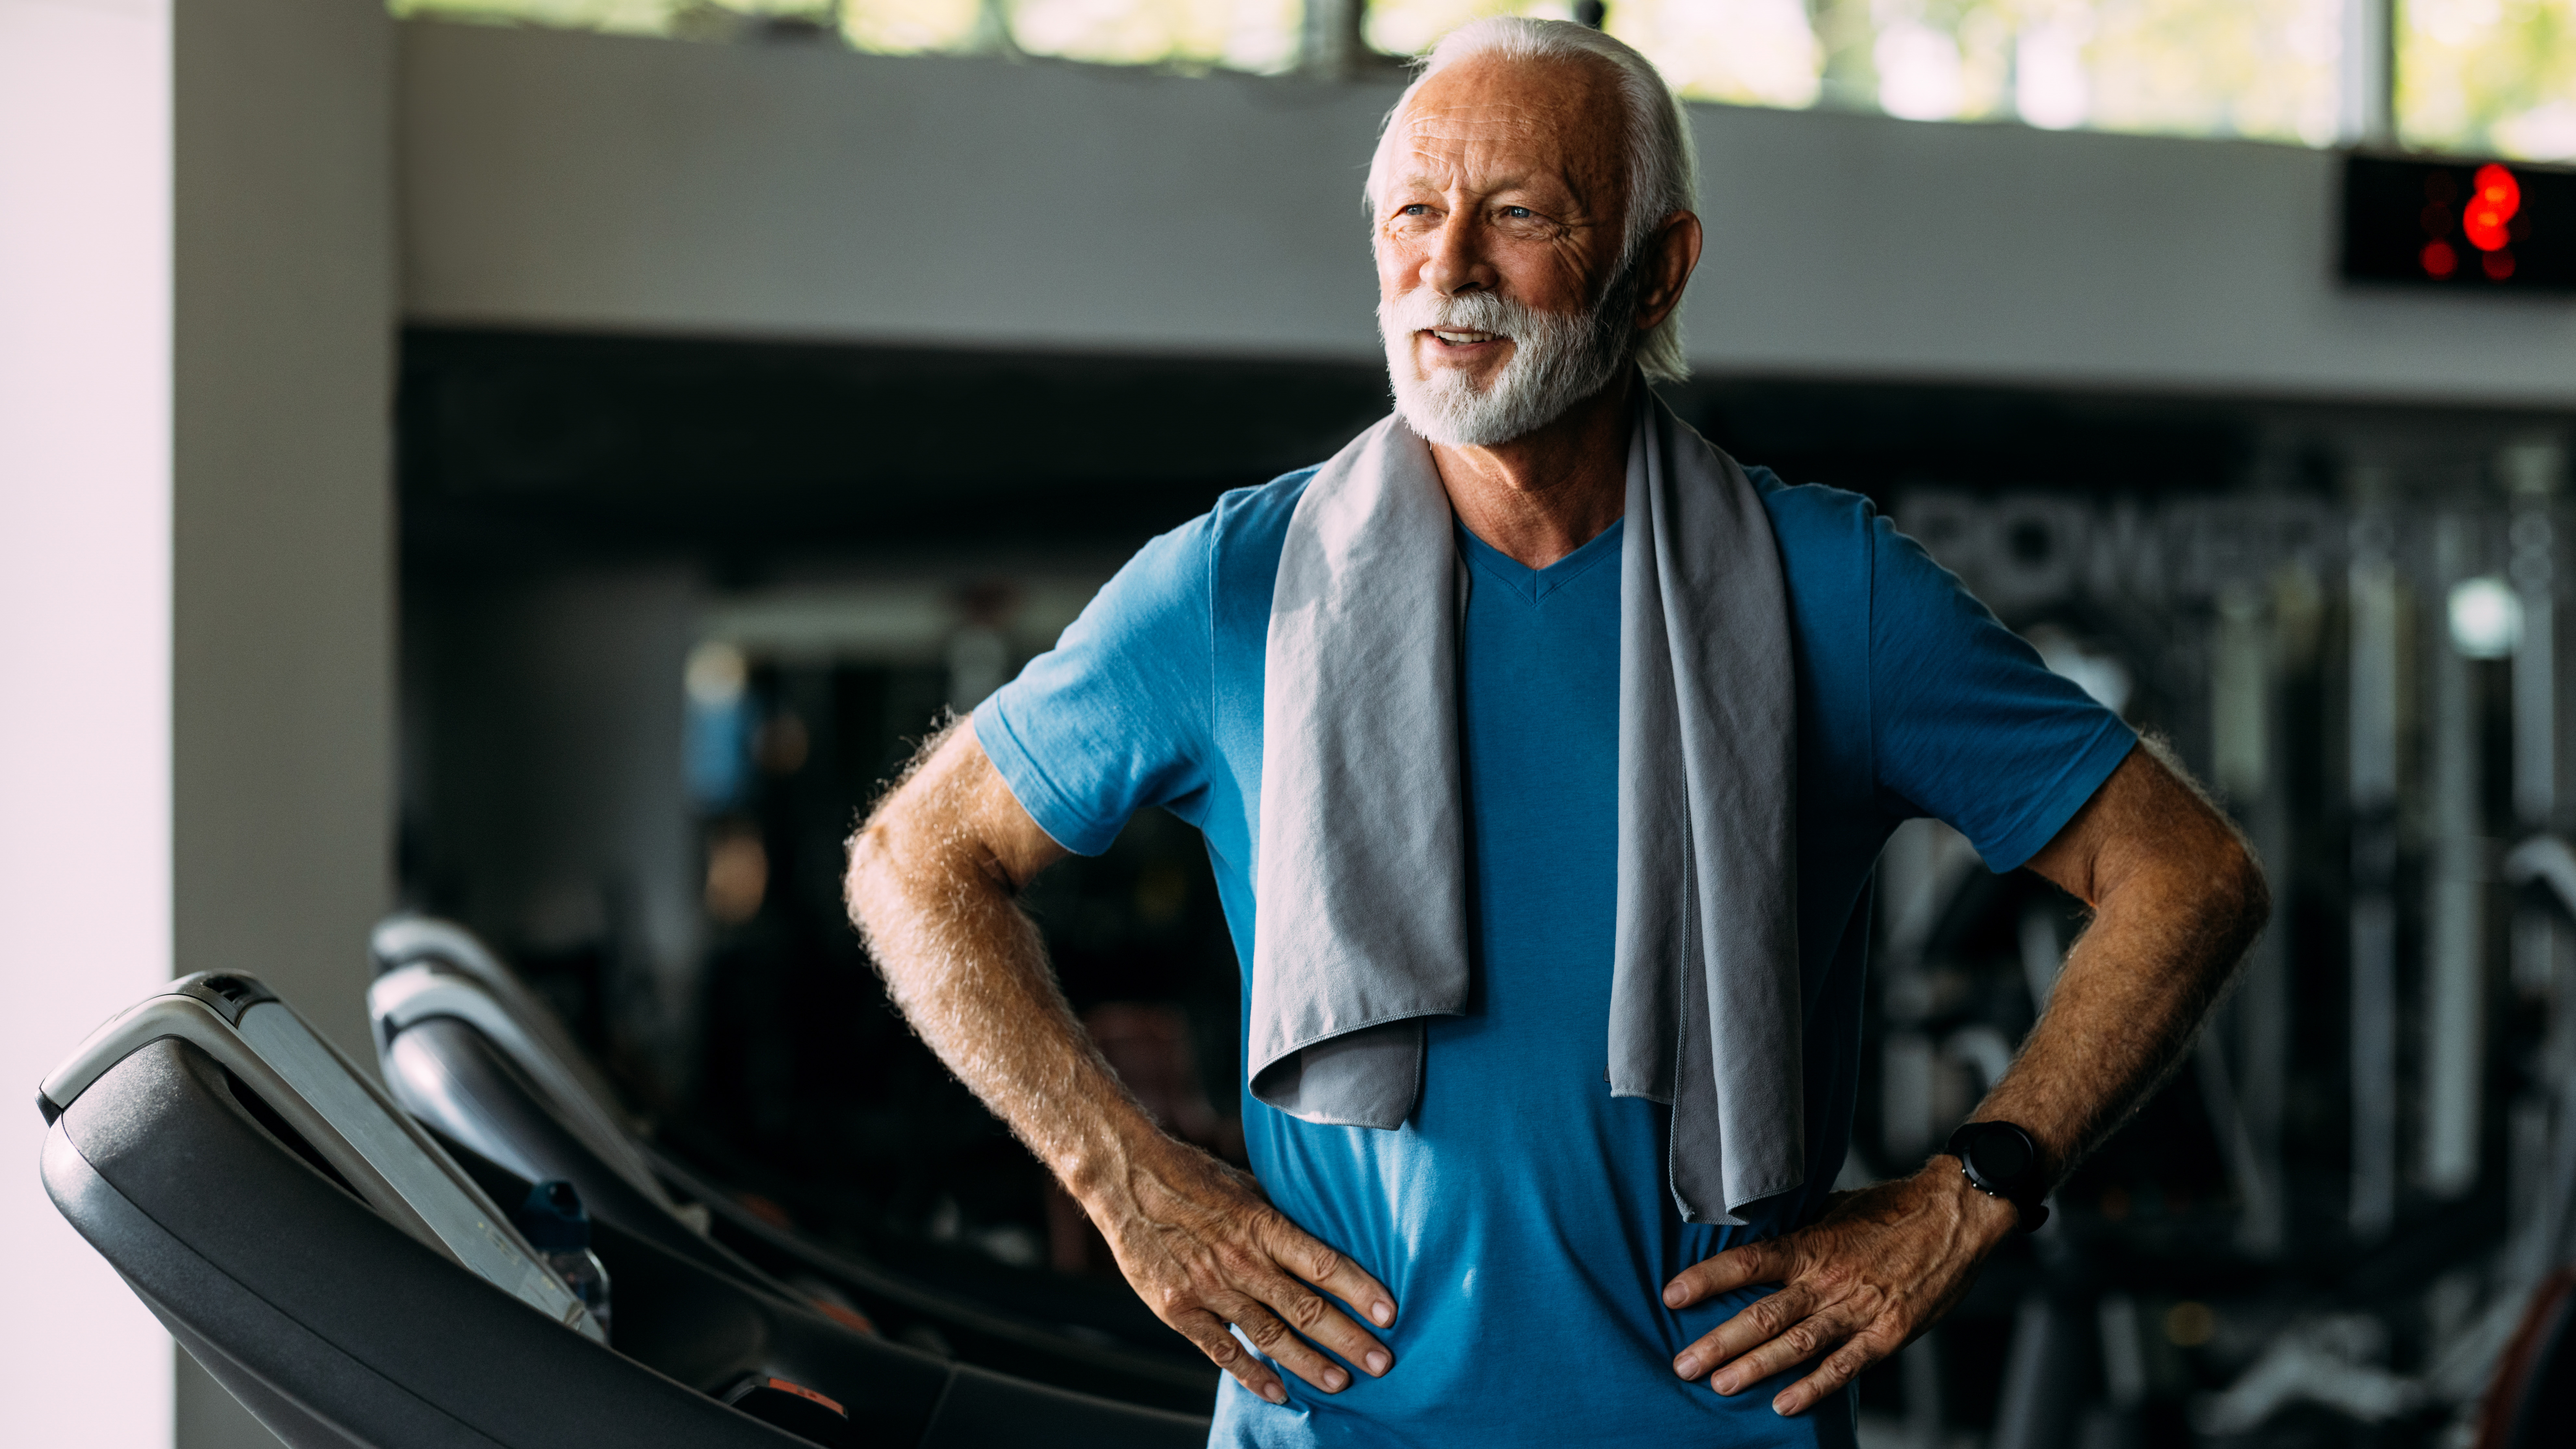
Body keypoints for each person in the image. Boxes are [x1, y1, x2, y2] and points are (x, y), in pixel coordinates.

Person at [844, 17, 2266, 1448]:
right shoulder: (1239, 589)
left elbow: (2188, 874)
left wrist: (1969, 1194)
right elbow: (914, 860)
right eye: (1414, 209)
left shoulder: (1833, 589)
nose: (1447, 264)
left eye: (1519, 213)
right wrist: (1126, 1178)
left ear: (1658, 271)